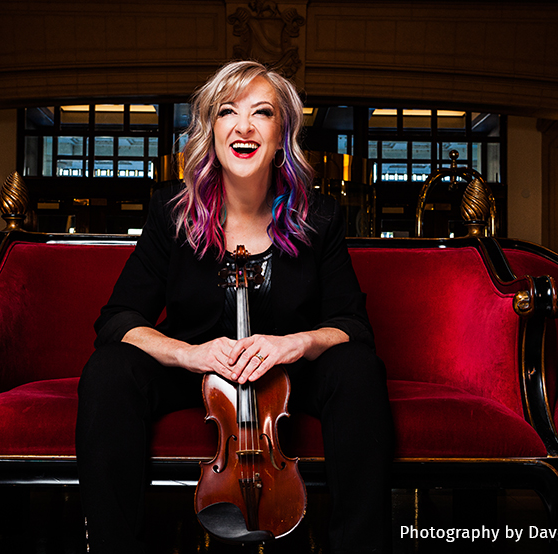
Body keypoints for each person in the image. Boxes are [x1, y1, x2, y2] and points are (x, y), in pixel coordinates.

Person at [76, 60, 394, 554]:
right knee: (109, 369)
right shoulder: (172, 213)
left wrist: (297, 343)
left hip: (288, 378)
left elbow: (352, 323)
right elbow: (117, 320)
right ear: (212, 129)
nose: (243, 127)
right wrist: (189, 354)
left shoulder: (320, 217)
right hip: (194, 372)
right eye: (227, 112)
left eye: (262, 113)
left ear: (281, 133)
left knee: (357, 368)